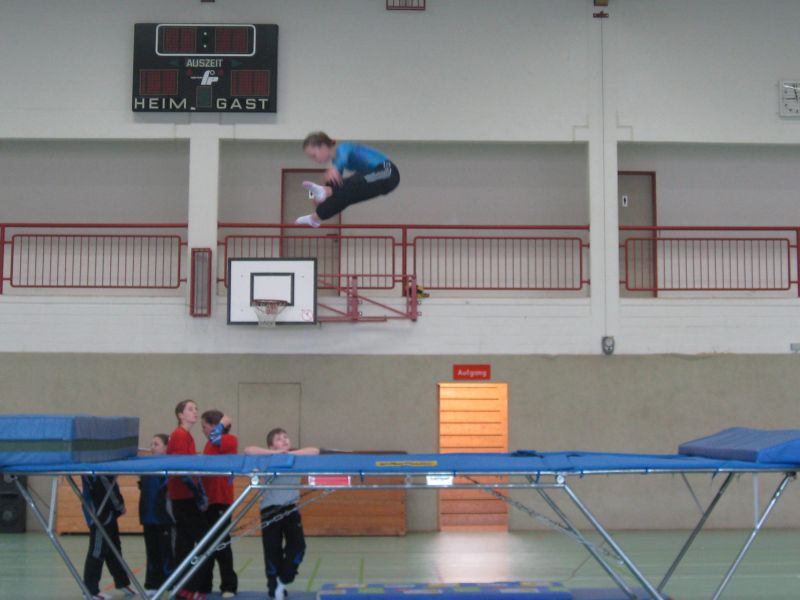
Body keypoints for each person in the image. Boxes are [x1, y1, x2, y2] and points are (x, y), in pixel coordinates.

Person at [244, 429, 320, 600]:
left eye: (286, 437)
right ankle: (274, 587)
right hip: (270, 511)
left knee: (298, 546)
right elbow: (248, 450)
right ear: (271, 446)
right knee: (272, 551)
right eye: (279, 439)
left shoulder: (296, 458)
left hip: (290, 510)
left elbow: (315, 451)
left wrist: (289, 454)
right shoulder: (266, 459)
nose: (284, 440)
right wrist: (275, 454)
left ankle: (284, 577)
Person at [295, 131, 400, 227]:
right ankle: (315, 217)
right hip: (378, 180)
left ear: (322, 146)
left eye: (314, 155)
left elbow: (343, 157)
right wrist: (321, 200)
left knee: (354, 181)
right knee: (344, 195)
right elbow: (337, 185)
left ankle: (324, 192)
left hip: (387, 171)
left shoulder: (344, 148)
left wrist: (334, 170)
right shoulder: (336, 162)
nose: (314, 160)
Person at [167, 399, 212, 600]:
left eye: (196, 408)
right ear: (180, 414)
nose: (195, 412)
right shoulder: (179, 435)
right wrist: (198, 494)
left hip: (185, 496)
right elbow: (182, 469)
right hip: (183, 497)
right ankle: (189, 587)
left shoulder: (186, 436)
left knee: (184, 545)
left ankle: (181, 587)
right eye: (190, 409)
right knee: (206, 541)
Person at [200, 410, 238, 598]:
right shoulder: (209, 444)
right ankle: (205, 584)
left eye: (205, 426)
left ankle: (229, 585)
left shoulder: (229, 440)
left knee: (222, 544)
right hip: (208, 501)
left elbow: (215, 436)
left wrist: (222, 424)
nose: (203, 430)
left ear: (215, 426)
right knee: (206, 545)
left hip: (220, 499)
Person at [81, 473, 135, 600]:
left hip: (108, 512)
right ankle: (90, 590)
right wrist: (120, 506)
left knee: (113, 549)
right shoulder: (98, 471)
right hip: (99, 515)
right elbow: (106, 487)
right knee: (97, 550)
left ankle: (122, 582)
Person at [138, 433, 174, 596]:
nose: (152, 447)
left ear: (166, 447)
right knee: (151, 552)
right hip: (147, 516)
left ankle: (170, 582)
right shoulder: (146, 466)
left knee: (165, 551)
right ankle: (152, 583)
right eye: (151, 444)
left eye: (156, 444)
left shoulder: (168, 466)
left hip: (163, 517)